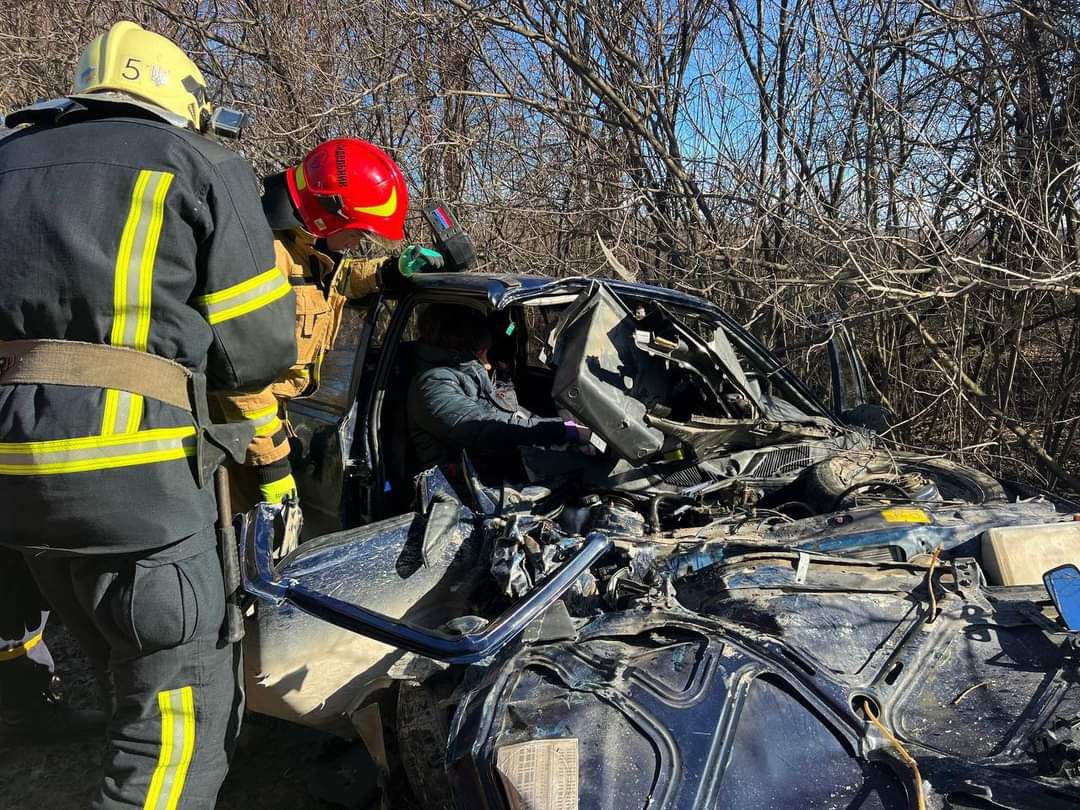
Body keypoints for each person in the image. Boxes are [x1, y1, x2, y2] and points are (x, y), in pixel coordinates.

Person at [0, 20, 295, 809]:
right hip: (135, 497)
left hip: (13, 487)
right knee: (177, 723)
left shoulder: (6, 158)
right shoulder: (201, 164)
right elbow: (260, 351)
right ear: (186, 101)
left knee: (112, 648)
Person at [218, 137, 443, 504]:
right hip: (242, 445)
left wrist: (390, 271)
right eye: (357, 232)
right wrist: (271, 464)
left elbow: (337, 281)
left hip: (272, 431)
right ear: (329, 213)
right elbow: (239, 378)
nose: (356, 243)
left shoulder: (307, 251)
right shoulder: (263, 255)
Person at [408, 304, 590, 475]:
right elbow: (482, 427)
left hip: (497, 461)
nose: (488, 360)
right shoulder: (433, 384)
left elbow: (511, 414)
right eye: (484, 350)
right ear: (462, 343)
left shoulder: (470, 372)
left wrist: (566, 428)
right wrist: (562, 430)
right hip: (464, 484)